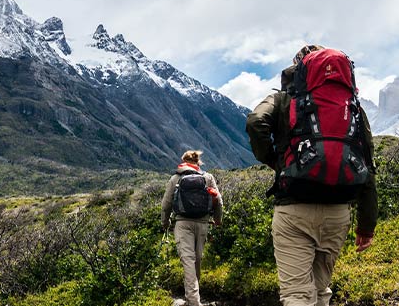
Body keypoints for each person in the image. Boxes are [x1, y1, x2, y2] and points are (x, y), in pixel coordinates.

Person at [245, 45, 378, 306]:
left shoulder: (284, 99)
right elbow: (367, 164)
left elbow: (255, 122)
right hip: (339, 213)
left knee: (296, 294)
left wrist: (275, 161)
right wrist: (366, 224)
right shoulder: (352, 108)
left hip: (294, 208)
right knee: (320, 289)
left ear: (300, 69)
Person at [161, 150, 223, 306]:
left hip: (182, 224)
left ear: (183, 161)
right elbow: (219, 201)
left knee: (188, 261)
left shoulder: (175, 178)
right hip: (203, 224)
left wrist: (165, 223)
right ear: (198, 162)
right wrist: (217, 220)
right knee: (197, 260)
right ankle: (193, 299)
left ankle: (193, 302)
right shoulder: (207, 177)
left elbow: (166, 204)